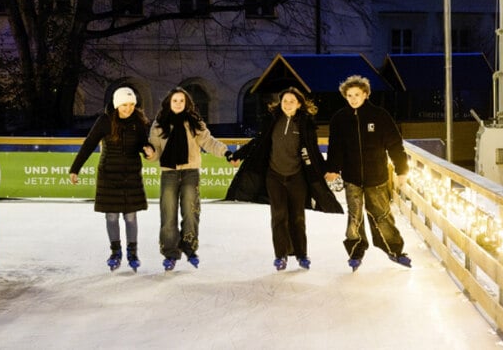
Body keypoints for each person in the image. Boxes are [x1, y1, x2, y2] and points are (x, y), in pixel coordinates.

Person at [226, 87, 342, 271]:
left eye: (292, 101)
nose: (287, 104)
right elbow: (258, 142)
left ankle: (302, 254)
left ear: (299, 104)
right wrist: (238, 154)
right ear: (280, 103)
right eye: (285, 101)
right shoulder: (272, 121)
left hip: (297, 176)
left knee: (297, 216)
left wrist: (328, 168)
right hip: (274, 176)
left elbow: (313, 151)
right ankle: (280, 255)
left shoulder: (305, 124)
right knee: (279, 216)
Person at [324, 74, 411, 272]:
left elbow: (395, 145)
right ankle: (356, 251)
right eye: (349, 95)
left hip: (377, 177)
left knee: (382, 215)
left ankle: (394, 250)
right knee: (354, 217)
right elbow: (335, 147)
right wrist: (332, 169)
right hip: (352, 177)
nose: (353, 98)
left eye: (357, 94)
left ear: (365, 94)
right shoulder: (340, 118)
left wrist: (401, 170)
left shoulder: (379, 116)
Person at [146, 86, 237, 271]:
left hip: (190, 173)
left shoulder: (195, 123)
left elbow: (209, 142)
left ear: (187, 103)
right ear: (169, 103)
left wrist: (227, 152)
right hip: (169, 173)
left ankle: (189, 247)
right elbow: (155, 153)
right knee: (168, 213)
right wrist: (149, 153)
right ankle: (170, 253)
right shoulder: (159, 124)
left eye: (181, 101)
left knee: (191, 211)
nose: (178, 104)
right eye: (175, 101)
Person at [69, 86, 153, 272]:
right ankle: (115, 252)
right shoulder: (104, 121)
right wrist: (75, 168)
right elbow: (89, 144)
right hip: (109, 174)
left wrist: (147, 150)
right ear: (116, 104)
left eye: (131, 104)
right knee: (112, 216)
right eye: (124, 104)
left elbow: (142, 143)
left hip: (131, 174)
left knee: (131, 216)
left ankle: (132, 252)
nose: (128, 108)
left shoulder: (138, 121)